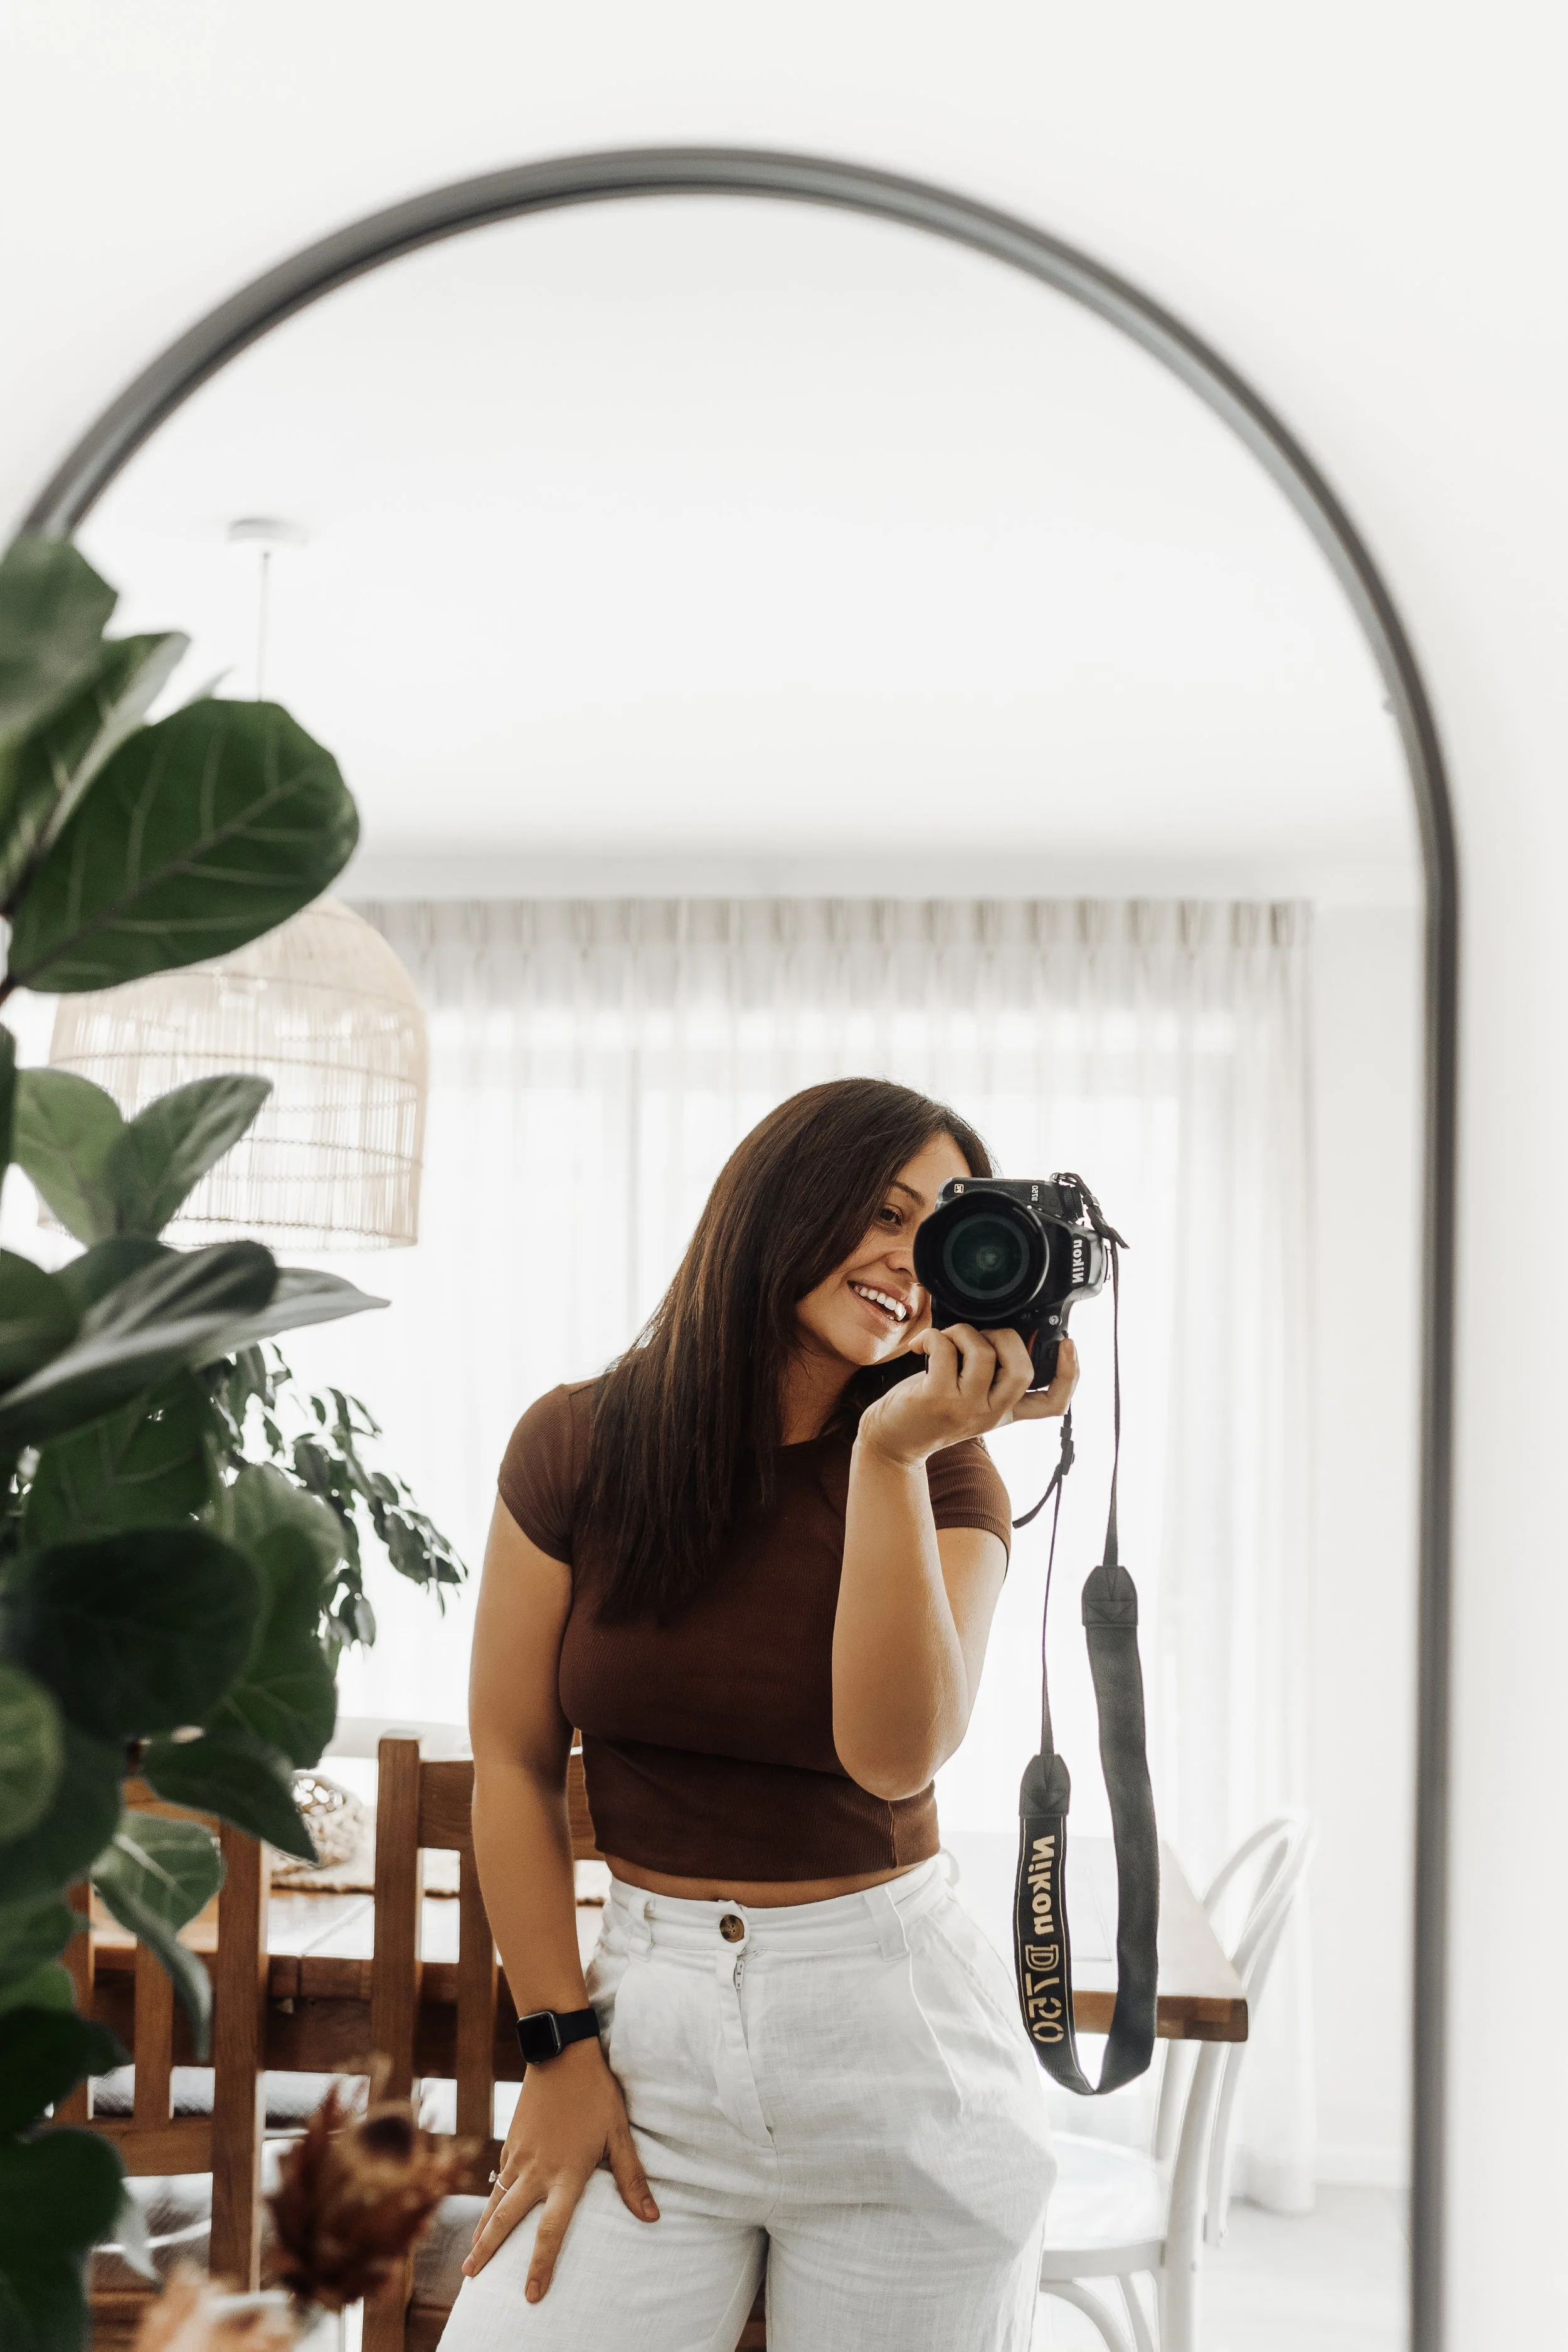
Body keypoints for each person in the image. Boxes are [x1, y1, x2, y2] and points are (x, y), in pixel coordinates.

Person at [444, 1078, 1076, 2352]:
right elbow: (511, 1766)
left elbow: (892, 1758)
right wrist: (558, 2047)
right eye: (882, 1212)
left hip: (896, 2056)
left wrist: (890, 1455)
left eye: (941, 1229)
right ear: (778, 1205)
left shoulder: (944, 1467)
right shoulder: (577, 1445)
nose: (906, 1259)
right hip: (643, 2039)